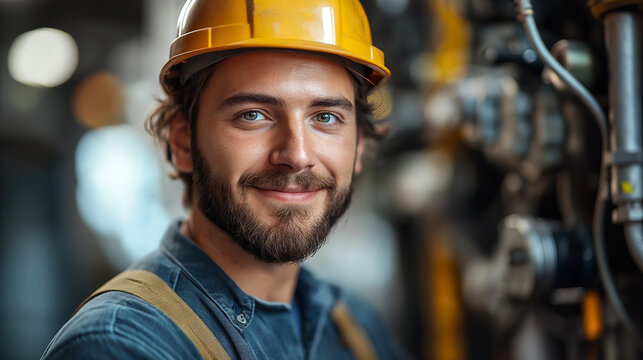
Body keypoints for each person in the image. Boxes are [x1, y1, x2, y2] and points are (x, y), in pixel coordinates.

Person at [42, 0, 409, 359]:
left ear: (358, 146)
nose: (297, 155)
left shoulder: (354, 327)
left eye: (326, 118)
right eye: (253, 114)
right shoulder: (122, 344)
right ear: (183, 140)